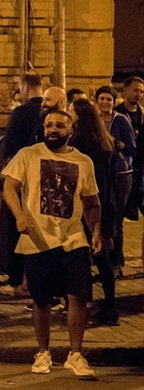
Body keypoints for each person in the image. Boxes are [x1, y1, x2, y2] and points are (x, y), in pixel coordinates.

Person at [2, 109, 103, 378]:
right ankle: (43, 352)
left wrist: (96, 231)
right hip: (38, 239)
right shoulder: (28, 155)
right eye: (49, 125)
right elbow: (9, 187)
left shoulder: (83, 162)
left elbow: (92, 203)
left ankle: (76, 354)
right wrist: (20, 216)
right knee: (41, 299)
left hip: (73, 238)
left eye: (59, 125)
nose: (53, 129)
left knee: (78, 296)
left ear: (70, 131)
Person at [68, 98, 119, 326]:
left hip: (88, 204)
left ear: (79, 115)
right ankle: (110, 306)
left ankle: (84, 308)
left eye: (70, 111)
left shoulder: (80, 141)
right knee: (102, 258)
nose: (68, 114)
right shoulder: (103, 140)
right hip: (105, 202)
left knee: (86, 258)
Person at [0, 71, 44, 297]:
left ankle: (16, 281)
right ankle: (36, 281)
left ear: (25, 88)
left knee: (17, 228)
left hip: (22, 179)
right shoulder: (51, 112)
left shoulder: (21, 113)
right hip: (45, 180)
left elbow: (10, 147)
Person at [95, 84, 136, 272]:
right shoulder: (94, 120)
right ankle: (101, 261)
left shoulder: (121, 120)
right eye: (102, 98)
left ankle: (116, 263)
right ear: (96, 101)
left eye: (109, 99)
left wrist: (114, 142)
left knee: (116, 220)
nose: (105, 102)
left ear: (113, 102)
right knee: (101, 219)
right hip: (101, 175)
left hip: (120, 176)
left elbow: (132, 149)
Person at [115, 76, 144, 225]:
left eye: (141, 92)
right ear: (125, 90)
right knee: (119, 214)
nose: (138, 94)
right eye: (135, 90)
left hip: (141, 171)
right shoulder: (116, 114)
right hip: (124, 170)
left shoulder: (142, 114)